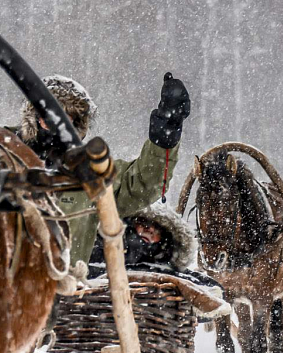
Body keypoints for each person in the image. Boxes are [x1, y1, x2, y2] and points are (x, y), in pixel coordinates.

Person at [16, 73, 189, 265]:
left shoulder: (90, 174)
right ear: (34, 117)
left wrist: (165, 135)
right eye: (49, 116)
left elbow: (142, 183)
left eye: (65, 118)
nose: (56, 125)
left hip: (64, 288)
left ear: (75, 125)